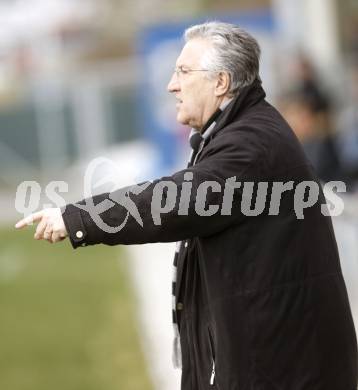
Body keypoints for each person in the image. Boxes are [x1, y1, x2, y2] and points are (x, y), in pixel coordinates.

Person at [15, 22, 358, 390]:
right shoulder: (239, 133)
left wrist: (79, 217)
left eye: (183, 71)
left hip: (283, 369)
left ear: (221, 83)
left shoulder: (249, 145)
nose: (171, 85)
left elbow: (171, 202)